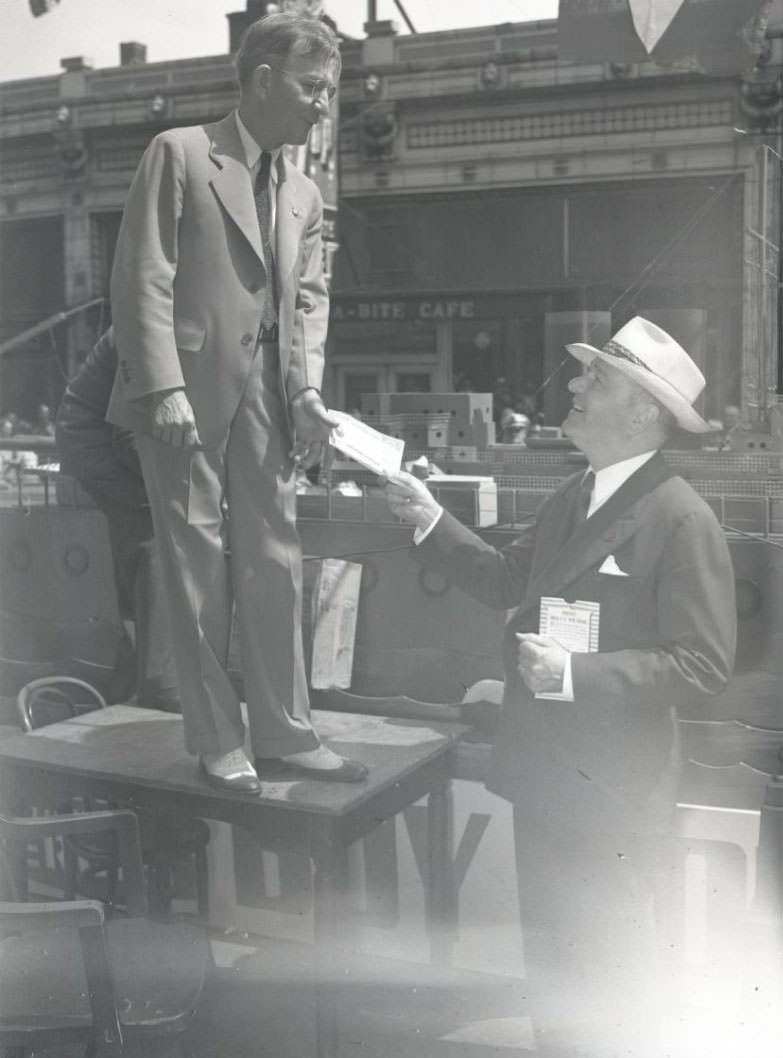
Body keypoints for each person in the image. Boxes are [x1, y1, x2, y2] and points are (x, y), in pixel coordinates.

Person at [385, 316, 736, 1057]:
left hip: (611, 798)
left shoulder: (681, 518)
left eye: (595, 378)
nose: (573, 384)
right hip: (548, 777)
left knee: (608, 979)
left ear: (643, 410)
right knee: (552, 971)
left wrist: (574, 674)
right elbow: (510, 578)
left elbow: (702, 662)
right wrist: (428, 521)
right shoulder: (574, 494)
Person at [106, 12, 366, 793]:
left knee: (277, 564)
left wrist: (310, 394)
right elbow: (141, 276)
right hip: (179, 397)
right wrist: (160, 388)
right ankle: (218, 739)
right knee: (194, 572)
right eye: (311, 87)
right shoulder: (180, 154)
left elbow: (307, 304)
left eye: (329, 90)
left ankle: (285, 734)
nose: (323, 106)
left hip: (270, 400)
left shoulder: (305, 194)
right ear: (262, 79)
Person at [56, 327, 180, 712]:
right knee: (154, 537)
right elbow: (126, 441)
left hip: (108, 441)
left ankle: (133, 684)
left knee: (145, 553)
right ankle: (158, 685)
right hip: (93, 445)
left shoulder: (173, 323)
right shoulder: (148, 330)